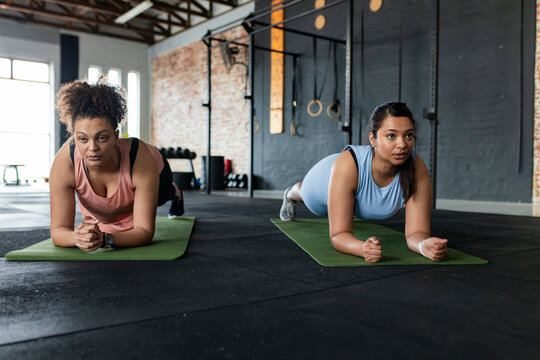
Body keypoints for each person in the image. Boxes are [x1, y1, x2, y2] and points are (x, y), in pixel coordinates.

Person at [279, 102, 447, 263]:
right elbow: (339, 235)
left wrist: (423, 245)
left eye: (408, 135)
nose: (402, 144)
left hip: (348, 185)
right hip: (324, 178)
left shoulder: (417, 169)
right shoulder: (348, 165)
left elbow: (416, 232)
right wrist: (362, 248)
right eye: (391, 136)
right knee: (304, 194)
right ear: (373, 139)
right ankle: (290, 193)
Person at [49, 77, 184, 252]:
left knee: (160, 196)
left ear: (116, 136)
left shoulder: (139, 158)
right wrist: (79, 238)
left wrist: (106, 239)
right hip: (115, 200)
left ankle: (175, 192)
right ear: (75, 138)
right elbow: (58, 231)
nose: (93, 148)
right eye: (83, 139)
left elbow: (144, 232)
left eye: (102, 137)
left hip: (155, 170)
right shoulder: (66, 163)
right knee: (107, 215)